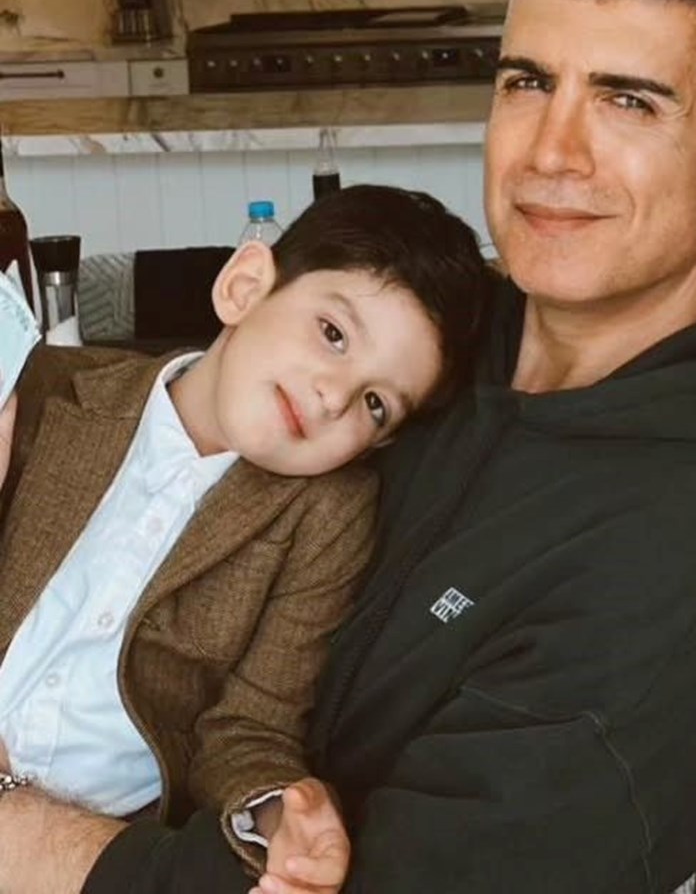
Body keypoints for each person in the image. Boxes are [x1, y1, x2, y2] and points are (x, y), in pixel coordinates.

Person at [0, 0, 696, 894]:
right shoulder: (458, 331)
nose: (553, 152)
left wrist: (33, 840)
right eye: (528, 82)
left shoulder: (691, 544)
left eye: (629, 101)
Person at [0, 184, 492, 892]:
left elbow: (249, 726)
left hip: (87, 848)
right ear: (244, 287)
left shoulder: (327, 517)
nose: (333, 396)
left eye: (375, 403)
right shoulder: (49, 389)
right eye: (333, 333)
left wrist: (275, 812)